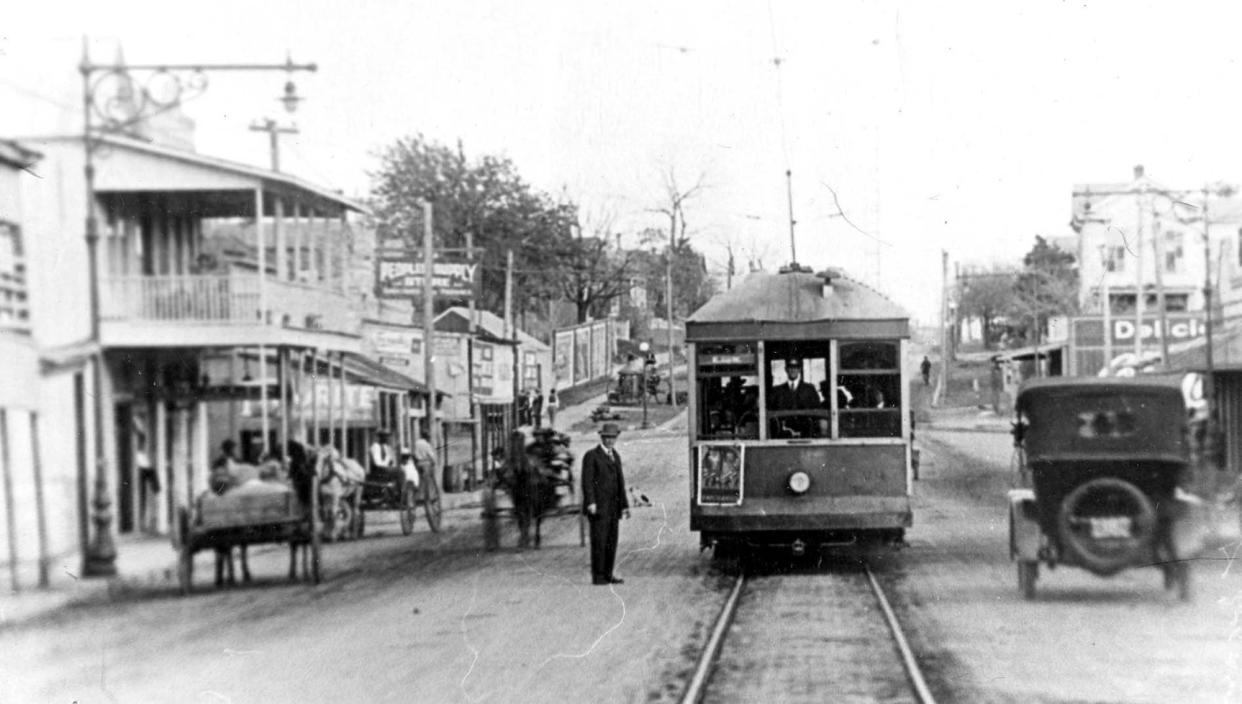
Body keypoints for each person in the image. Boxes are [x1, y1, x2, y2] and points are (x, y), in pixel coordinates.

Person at [581, 423, 630, 585]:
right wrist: (591, 502)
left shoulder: (615, 455)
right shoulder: (592, 456)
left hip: (613, 508)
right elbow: (587, 482)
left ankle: (608, 574)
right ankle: (598, 576)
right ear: (602, 438)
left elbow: (620, 482)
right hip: (598, 508)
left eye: (613, 438)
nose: (610, 441)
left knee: (611, 541)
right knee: (599, 541)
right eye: (607, 438)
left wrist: (624, 505)